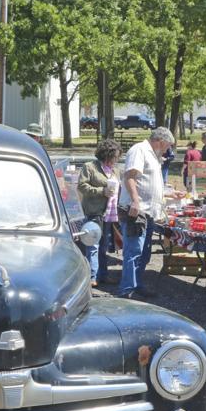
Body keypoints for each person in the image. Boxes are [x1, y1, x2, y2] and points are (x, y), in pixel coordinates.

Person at [118, 127, 179, 299]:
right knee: (133, 251)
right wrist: (135, 201)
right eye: (168, 146)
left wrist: (169, 193)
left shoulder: (154, 155)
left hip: (148, 211)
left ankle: (137, 284)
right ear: (160, 141)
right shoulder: (139, 150)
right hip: (136, 210)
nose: (168, 150)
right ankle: (127, 290)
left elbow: (149, 183)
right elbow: (129, 176)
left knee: (144, 252)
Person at [76, 139, 122, 287]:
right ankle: (91, 277)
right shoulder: (90, 167)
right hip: (94, 212)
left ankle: (103, 275)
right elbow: (82, 186)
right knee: (93, 245)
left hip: (110, 214)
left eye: (116, 157)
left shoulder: (116, 171)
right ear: (105, 155)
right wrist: (102, 191)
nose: (115, 160)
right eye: (113, 157)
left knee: (104, 246)